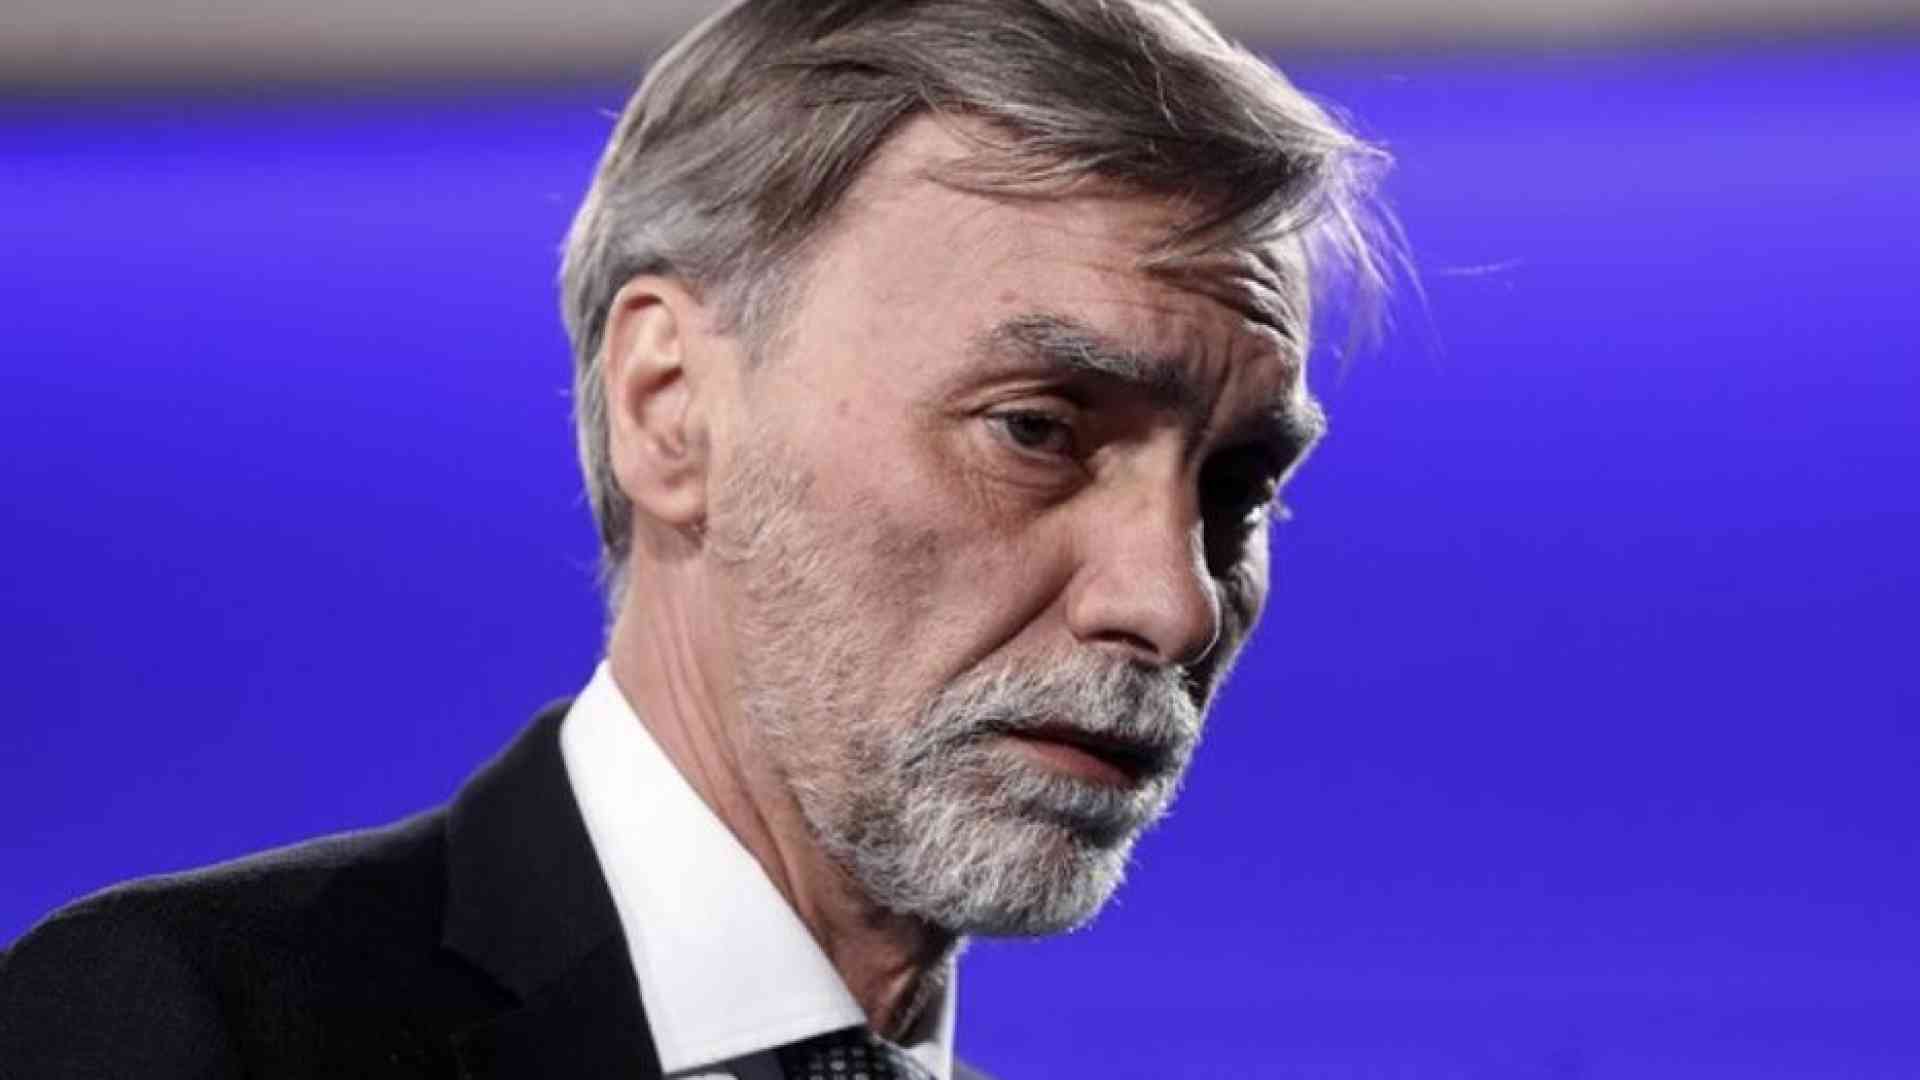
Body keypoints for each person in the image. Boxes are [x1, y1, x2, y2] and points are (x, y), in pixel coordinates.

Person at [0, 1, 1391, 1076]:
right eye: (1036, 428)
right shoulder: (184, 1029)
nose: (1172, 603)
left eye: (1238, 488)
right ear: (669, 410)